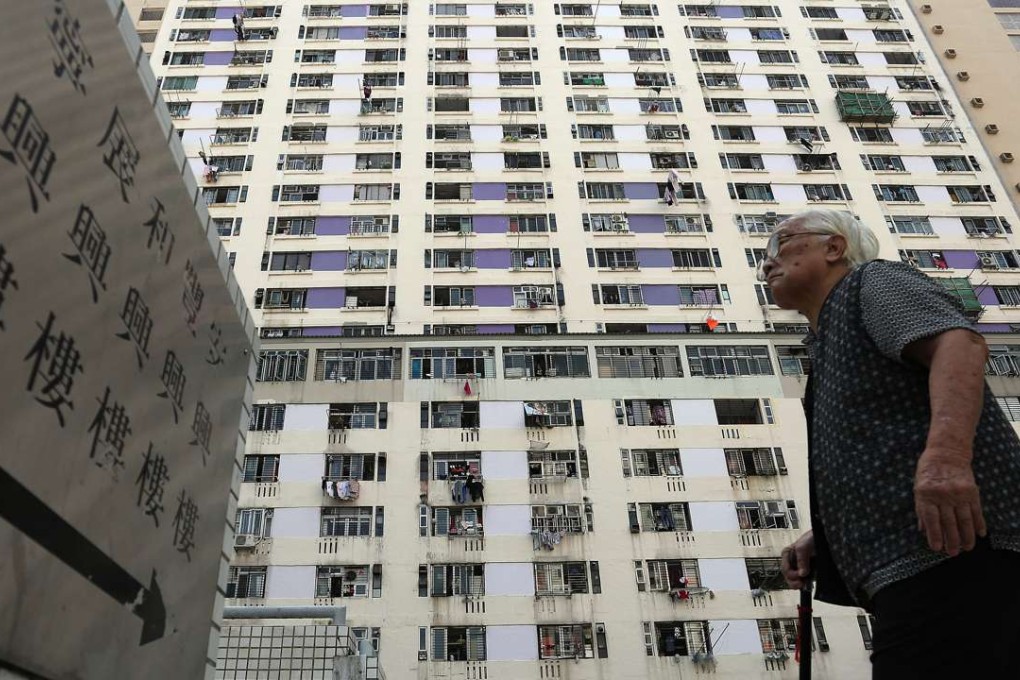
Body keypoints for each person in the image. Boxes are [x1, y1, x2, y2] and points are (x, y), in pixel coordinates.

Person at [766, 209, 1020, 678]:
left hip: (956, 549)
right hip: (909, 567)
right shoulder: (824, 341)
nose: (766, 263)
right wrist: (823, 536)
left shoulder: (871, 282)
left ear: (834, 248)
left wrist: (946, 459)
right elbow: (878, 440)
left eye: (779, 244)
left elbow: (959, 345)